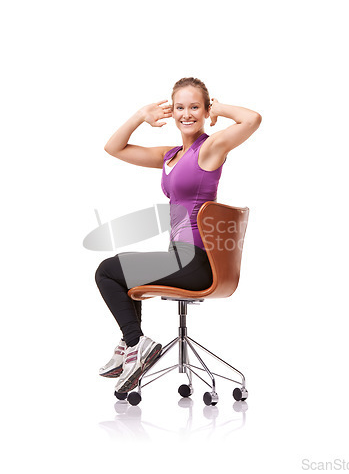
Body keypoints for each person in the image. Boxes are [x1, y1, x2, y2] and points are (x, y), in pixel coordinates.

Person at [95, 77, 262, 394]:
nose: (187, 114)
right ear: (171, 112)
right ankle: (133, 345)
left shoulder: (210, 148)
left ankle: (134, 344)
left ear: (204, 109)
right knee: (120, 274)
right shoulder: (169, 156)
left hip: (197, 261)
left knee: (108, 270)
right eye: (180, 107)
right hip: (179, 257)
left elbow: (252, 119)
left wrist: (219, 109)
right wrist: (139, 116)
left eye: (195, 107)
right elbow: (113, 148)